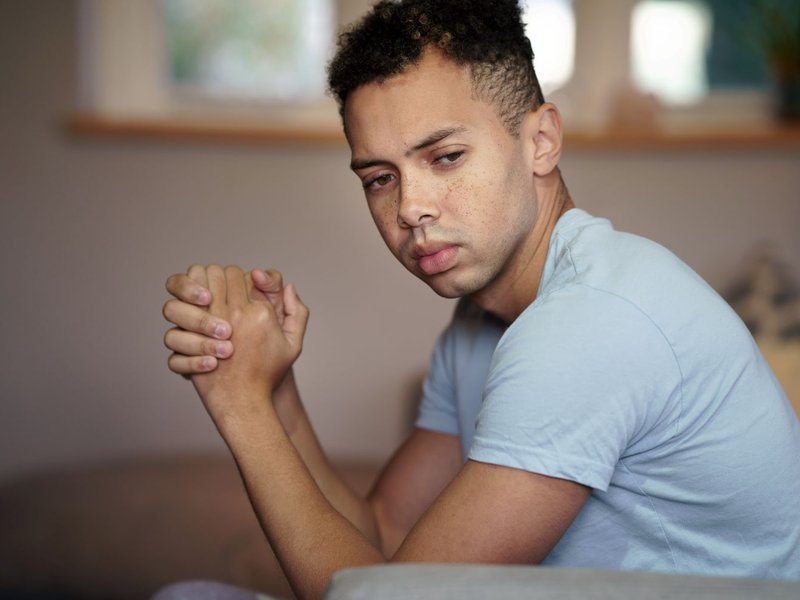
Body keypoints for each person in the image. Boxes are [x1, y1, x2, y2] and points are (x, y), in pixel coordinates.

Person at [160, 1, 800, 598]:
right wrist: (272, 388)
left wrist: (241, 410)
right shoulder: (479, 323)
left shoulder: (591, 320)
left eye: (445, 157)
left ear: (541, 141)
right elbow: (384, 532)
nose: (410, 208)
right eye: (380, 179)